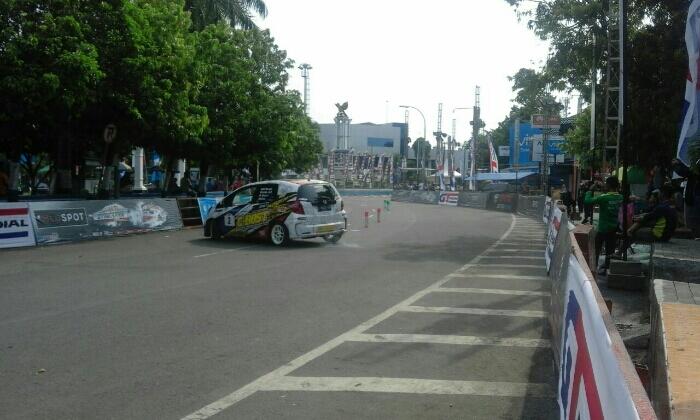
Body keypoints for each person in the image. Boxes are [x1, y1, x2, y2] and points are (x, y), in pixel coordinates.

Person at [584, 176, 623, 275]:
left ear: (609, 185)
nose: (605, 185)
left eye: (606, 183)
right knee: (610, 250)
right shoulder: (620, 197)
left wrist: (590, 190)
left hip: (603, 229)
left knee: (596, 249)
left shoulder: (604, 198)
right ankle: (607, 269)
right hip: (614, 228)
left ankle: (593, 268)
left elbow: (588, 201)